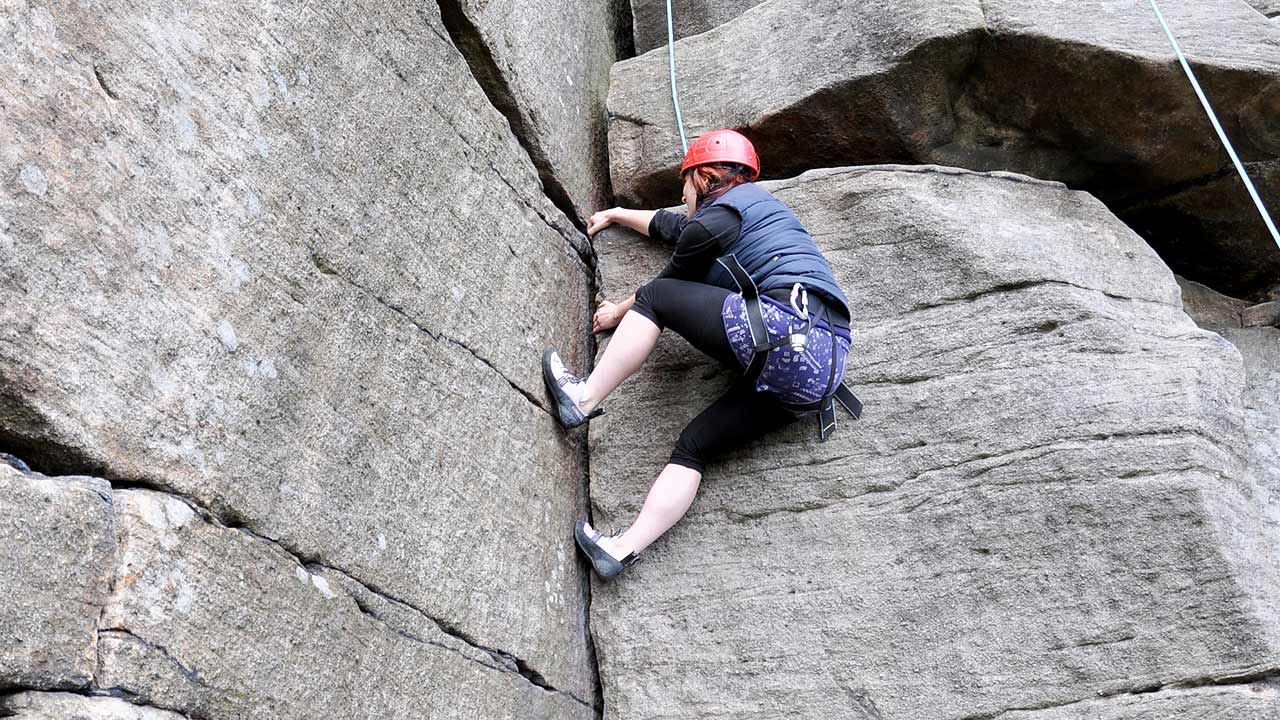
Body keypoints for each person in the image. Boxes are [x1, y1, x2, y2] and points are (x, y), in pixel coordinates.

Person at [542, 129, 857, 580]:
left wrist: (618, 311)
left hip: (781, 327)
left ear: (701, 176)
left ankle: (583, 397)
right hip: (822, 369)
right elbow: (675, 228)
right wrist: (615, 212)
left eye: (684, 185)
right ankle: (619, 550)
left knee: (657, 296)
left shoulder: (718, 219)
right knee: (695, 447)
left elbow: (672, 279)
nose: (681, 195)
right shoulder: (756, 215)